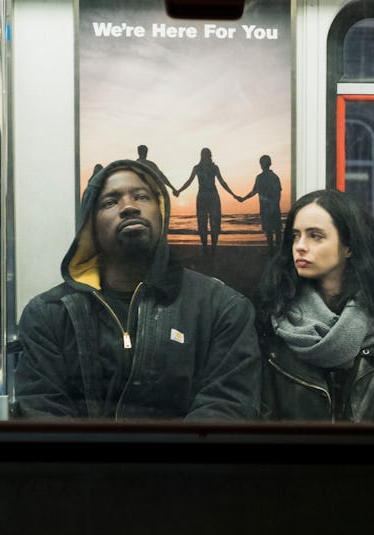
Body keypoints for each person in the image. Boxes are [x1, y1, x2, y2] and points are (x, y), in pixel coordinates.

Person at [13, 159, 261, 421]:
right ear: (90, 227)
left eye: (142, 196)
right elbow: (42, 414)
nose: (129, 207)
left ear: (161, 212)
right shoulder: (48, 314)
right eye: (110, 202)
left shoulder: (222, 309)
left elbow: (227, 410)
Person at [254, 189, 374, 423]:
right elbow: (262, 424)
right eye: (296, 236)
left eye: (315, 236)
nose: (300, 246)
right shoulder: (274, 323)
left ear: (349, 247)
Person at [175, 147, 239, 252]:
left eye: (207, 155)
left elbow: (222, 182)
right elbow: (189, 181)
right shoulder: (200, 168)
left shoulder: (212, 168)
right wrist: (179, 190)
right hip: (206, 196)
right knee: (204, 223)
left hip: (209, 196)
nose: (206, 157)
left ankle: (212, 247)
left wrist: (233, 194)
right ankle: (206, 247)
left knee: (213, 223)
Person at [236, 154, 282, 253]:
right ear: (270, 163)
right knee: (277, 231)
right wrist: (275, 205)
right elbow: (278, 194)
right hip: (275, 208)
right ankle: (279, 252)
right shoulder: (275, 177)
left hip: (265, 209)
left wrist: (243, 199)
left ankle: (271, 252)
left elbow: (253, 192)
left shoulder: (260, 178)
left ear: (261, 165)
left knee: (269, 232)